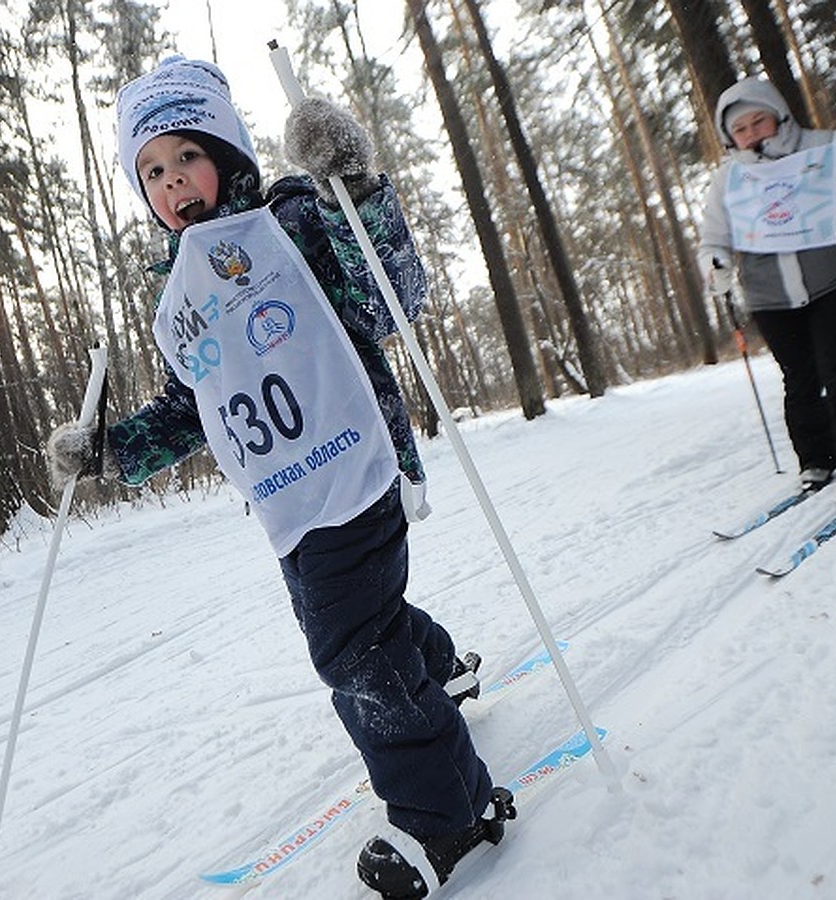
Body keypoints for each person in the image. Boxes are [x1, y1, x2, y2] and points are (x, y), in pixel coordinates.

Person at [45, 56, 512, 898]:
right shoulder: (180, 293)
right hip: (287, 499)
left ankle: (448, 815)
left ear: (225, 152)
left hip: (354, 462)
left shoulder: (294, 219)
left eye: (185, 155)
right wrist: (112, 451)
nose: (171, 181)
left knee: (351, 649)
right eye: (151, 171)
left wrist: (355, 187)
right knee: (367, 617)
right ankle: (439, 670)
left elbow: (391, 300)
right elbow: (192, 407)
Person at [698, 76, 836, 509]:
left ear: (778, 116)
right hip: (769, 292)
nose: (752, 134)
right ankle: (817, 459)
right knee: (799, 378)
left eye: (759, 121)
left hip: (832, 279)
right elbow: (714, 236)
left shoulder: (822, 148)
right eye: (741, 129)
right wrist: (716, 264)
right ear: (730, 137)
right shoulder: (728, 178)